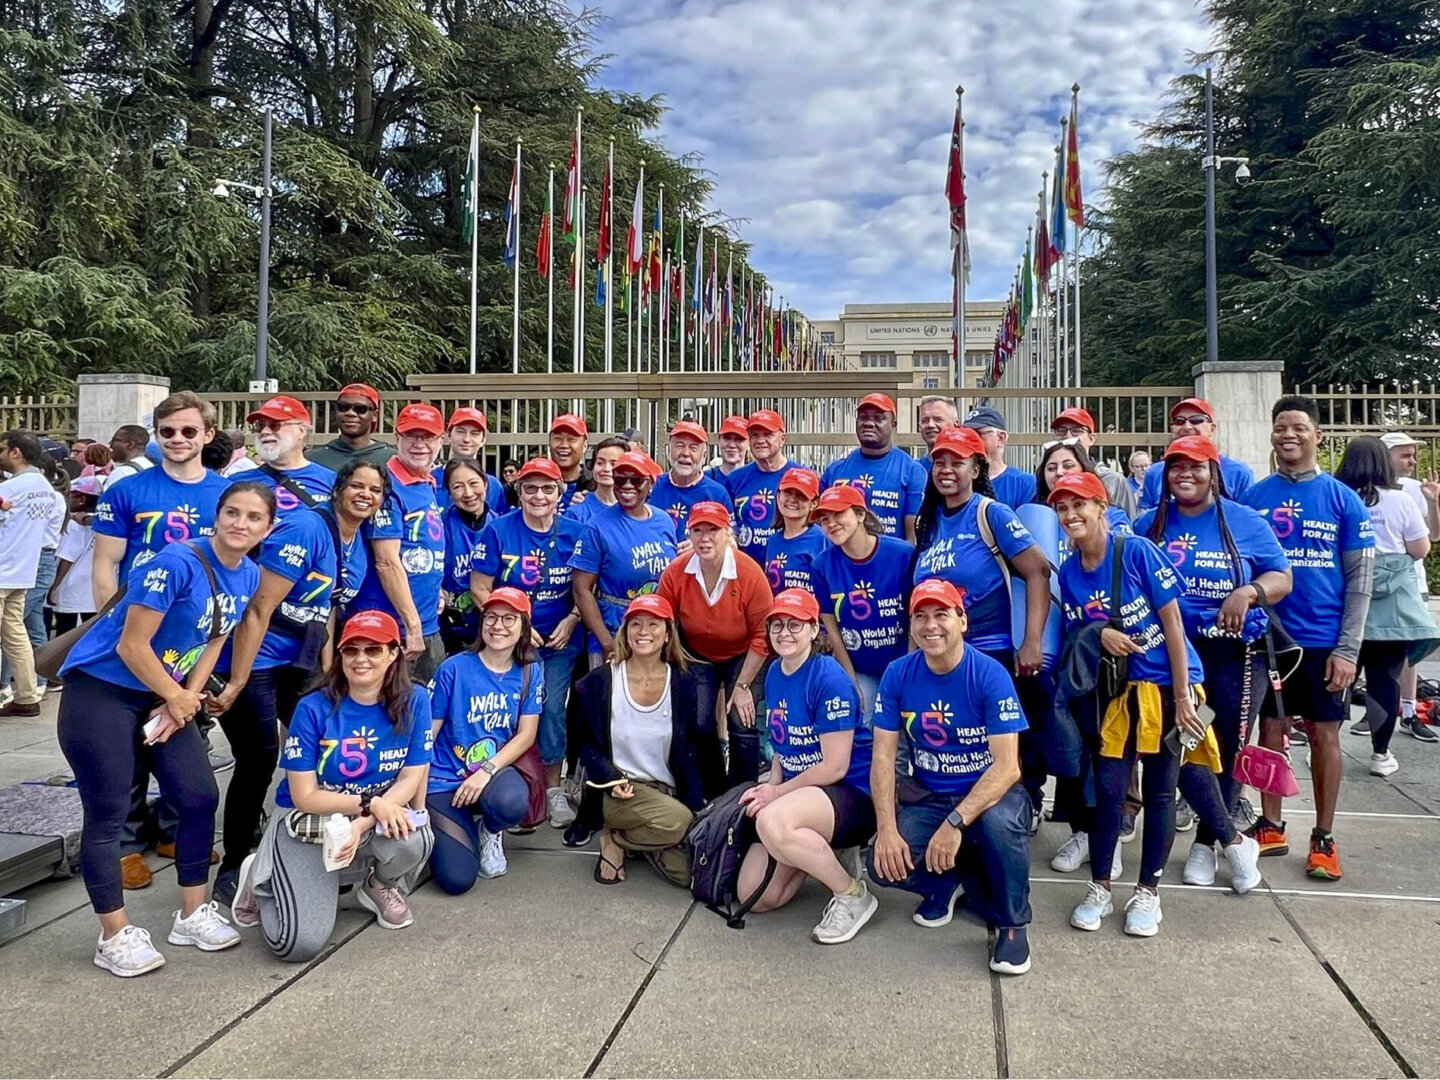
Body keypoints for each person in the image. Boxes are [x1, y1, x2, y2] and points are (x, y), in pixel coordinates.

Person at [56, 482, 271, 976]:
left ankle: (192, 913)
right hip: (103, 690)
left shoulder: (249, 572)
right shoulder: (175, 563)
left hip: (166, 695)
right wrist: (176, 698)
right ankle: (114, 934)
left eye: (253, 517)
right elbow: (133, 645)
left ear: (266, 528)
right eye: (232, 513)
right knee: (108, 812)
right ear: (216, 517)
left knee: (197, 798)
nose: (241, 524)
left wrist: (189, 696)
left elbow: (216, 637)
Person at [206, 464, 380, 907]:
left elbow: (327, 608)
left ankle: (310, 845)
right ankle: (236, 864)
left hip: (300, 660)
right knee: (260, 756)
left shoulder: (356, 540)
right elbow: (256, 609)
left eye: (375, 490)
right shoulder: (306, 528)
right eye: (356, 486)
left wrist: (329, 675)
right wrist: (240, 679)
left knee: (323, 747)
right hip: (256, 657)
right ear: (338, 489)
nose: (365, 495)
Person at [231, 610, 434, 961]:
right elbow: (304, 795)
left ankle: (377, 886)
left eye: (373, 649)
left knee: (416, 835)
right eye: (351, 650)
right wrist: (372, 805)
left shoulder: (415, 699)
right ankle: (263, 879)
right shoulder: (312, 707)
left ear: (393, 654)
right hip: (307, 821)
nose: (361, 659)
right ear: (339, 655)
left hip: (365, 816)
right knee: (298, 946)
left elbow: (411, 777)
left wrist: (366, 819)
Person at [1053, 471, 1206, 936]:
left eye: (1080, 504)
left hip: (1166, 687)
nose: (1070, 515)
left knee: (1162, 791)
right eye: (1062, 508)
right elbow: (1081, 635)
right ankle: (1100, 886)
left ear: (1102, 507)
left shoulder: (1135, 550)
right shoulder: (1070, 571)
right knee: (1110, 793)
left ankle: (1148, 892)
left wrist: (1183, 696)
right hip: (1117, 696)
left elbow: (1174, 625)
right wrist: (1101, 633)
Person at [1136, 436, 1285, 891]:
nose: (1185, 474)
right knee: (1176, 746)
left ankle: (1206, 843)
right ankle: (1232, 837)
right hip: (1170, 654)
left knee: (1225, 748)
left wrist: (1248, 592)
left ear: (1213, 473)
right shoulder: (1149, 523)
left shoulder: (1245, 522)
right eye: (1176, 466)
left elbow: (1281, 576)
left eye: (1196, 467)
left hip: (1235, 653)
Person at [868, 579, 1033, 975]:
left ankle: (1012, 924)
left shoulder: (989, 674)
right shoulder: (897, 674)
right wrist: (887, 829)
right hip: (931, 794)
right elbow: (882, 758)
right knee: (883, 865)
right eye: (920, 616)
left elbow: (1008, 767)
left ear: (963, 620)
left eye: (942, 614)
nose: (931, 625)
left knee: (1000, 823)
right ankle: (948, 882)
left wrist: (954, 823)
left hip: (988, 795)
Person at [1243, 396, 1374, 880]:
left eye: (1299, 427)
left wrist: (1348, 649)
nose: (1288, 435)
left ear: (1318, 436)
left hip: (1323, 639)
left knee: (1324, 733)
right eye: (1280, 427)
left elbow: (1361, 581)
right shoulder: (1254, 498)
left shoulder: (1344, 499)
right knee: (1270, 731)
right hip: (1269, 638)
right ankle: (1271, 825)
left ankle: (1323, 836)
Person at [913, 424, 1053, 821]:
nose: (946, 469)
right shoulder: (931, 522)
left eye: (957, 462)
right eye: (939, 461)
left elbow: (1038, 571)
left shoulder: (991, 513)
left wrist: (1031, 641)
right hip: (942, 660)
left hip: (992, 657)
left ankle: (1011, 819)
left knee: (1001, 751)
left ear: (976, 468)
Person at [733, 589, 875, 942]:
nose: (784, 633)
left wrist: (777, 794)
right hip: (803, 793)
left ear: (814, 630)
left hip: (848, 794)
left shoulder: (828, 677)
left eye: (795, 625)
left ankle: (852, 895)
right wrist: (772, 783)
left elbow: (835, 767)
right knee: (757, 895)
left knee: (772, 819)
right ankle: (817, 852)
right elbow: (784, 743)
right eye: (777, 625)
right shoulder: (777, 672)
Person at [469, 457, 584, 826]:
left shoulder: (575, 531)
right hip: (508, 641)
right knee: (505, 714)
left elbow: (587, 586)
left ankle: (552, 791)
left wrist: (574, 619)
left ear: (559, 493)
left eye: (547, 488)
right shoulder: (498, 530)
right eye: (530, 488)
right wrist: (516, 626)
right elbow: (479, 588)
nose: (538, 495)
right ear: (518, 491)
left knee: (550, 711)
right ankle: (507, 787)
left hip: (560, 640)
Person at [572, 594, 705, 885]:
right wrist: (610, 777)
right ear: (626, 631)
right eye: (636, 624)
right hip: (622, 791)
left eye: (653, 624)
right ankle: (614, 838)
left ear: (667, 633)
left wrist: (696, 802)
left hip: (667, 792)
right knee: (678, 822)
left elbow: (691, 748)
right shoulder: (600, 681)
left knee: (689, 877)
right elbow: (586, 746)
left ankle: (634, 843)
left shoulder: (683, 682)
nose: (643, 632)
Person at [425, 589, 543, 893]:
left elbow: (526, 734)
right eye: (491, 617)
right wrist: (412, 794)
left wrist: (485, 772)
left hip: (489, 773)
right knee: (458, 879)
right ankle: (451, 827)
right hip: (443, 779)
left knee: (511, 800)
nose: (498, 626)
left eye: (509, 618)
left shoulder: (531, 671)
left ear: (523, 627)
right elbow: (428, 735)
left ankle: (490, 831)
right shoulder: (454, 668)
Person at [1335, 437, 1438, 775]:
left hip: (1345, 603)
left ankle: (1326, 745)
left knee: (1339, 679)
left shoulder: (1339, 497)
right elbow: (1421, 548)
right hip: (1392, 609)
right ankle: (1381, 753)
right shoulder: (1400, 501)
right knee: (1385, 680)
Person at [655, 501, 774, 794]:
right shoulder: (676, 572)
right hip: (698, 654)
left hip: (744, 655)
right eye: (698, 530)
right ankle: (714, 792)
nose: (705, 538)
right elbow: (662, 620)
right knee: (700, 722)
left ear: (728, 533)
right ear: (689, 533)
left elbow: (764, 633)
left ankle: (742, 796)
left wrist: (743, 686)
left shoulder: (749, 572)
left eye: (713, 530)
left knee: (741, 722)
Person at [93, 392, 233, 607]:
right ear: (157, 436)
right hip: (137, 619)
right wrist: (111, 627)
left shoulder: (231, 494)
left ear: (208, 435)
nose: (178, 439)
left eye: (189, 432)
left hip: (205, 623)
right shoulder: (124, 490)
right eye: (167, 431)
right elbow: (105, 564)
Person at [351, 404, 446, 680]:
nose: (420, 444)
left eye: (428, 437)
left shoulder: (425, 482)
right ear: (397, 437)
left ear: (441, 441)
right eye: (411, 436)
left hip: (426, 623)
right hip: (391, 627)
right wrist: (412, 624)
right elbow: (386, 562)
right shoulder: (387, 486)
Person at [810, 485, 914, 725]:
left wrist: (910, 669)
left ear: (860, 515)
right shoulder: (821, 566)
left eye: (839, 514)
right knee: (865, 730)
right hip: (860, 667)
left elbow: (915, 617)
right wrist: (850, 680)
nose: (831, 523)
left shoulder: (902, 555)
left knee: (902, 739)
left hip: (901, 664)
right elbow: (831, 629)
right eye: (824, 519)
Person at [573, 452, 677, 666]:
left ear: (651, 484)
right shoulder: (597, 526)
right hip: (613, 629)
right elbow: (581, 590)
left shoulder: (664, 520)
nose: (627, 485)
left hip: (655, 632)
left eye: (636, 480)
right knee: (608, 697)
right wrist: (607, 643)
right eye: (620, 479)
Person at [0, 432, 67, 716]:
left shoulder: (12, 488)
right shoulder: (43, 486)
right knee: (15, 633)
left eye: (2, 449)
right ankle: (27, 695)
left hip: (3, 566)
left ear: (16, 453)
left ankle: (25, 694)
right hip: (23, 569)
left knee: (14, 633)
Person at [1379, 431, 1440, 741]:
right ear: (1386, 455)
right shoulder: (1366, 490)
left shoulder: (1416, 489)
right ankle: (1377, 712)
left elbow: (1433, 537)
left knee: (1408, 652)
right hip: (1375, 585)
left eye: (1413, 455)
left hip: (1410, 582)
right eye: (1406, 455)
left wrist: (1434, 503)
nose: (1413, 462)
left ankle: (1408, 710)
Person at [821, 393, 928, 541]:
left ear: (893, 424)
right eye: (863, 417)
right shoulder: (835, 470)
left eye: (878, 418)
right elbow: (820, 525)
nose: (869, 423)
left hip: (891, 561)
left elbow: (912, 538)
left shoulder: (912, 471)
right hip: (841, 560)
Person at [1137, 398, 1255, 511]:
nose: (1187, 427)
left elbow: (1247, 520)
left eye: (1196, 420)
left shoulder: (1239, 473)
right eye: (1179, 421)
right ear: (1172, 429)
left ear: (1212, 428)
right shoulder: (1154, 473)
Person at [244, 396, 337, 520]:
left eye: (274, 425)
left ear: (301, 431)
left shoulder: (332, 482)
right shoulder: (238, 482)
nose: (265, 431)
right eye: (260, 425)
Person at [438, 456, 496, 654]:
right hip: (448, 625)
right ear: (449, 491)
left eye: (474, 483)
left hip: (492, 626)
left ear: (485, 483)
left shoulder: (500, 526)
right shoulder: (439, 525)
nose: (468, 493)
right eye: (458, 487)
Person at [726, 410, 798, 564]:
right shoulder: (735, 479)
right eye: (754, 435)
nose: (760, 440)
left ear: (782, 439)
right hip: (745, 568)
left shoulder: (801, 475)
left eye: (767, 434)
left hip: (788, 566)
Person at [1032, 440, 1133, 540]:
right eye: (1051, 468)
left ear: (1084, 469)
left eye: (1068, 466)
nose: (1059, 472)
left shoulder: (1112, 515)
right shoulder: (1035, 515)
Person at [1049, 407, 1137, 518]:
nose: (1068, 436)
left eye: (1076, 430)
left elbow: (1130, 525)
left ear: (1091, 438)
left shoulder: (1113, 481)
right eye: (1061, 430)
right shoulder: (1048, 479)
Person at [48, 475, 102, 636]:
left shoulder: (74, 524)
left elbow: (67, 557)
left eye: (71, 495)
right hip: (93, 589)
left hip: (71, 587)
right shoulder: (101, 523)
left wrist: (54, 585)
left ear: (81, 499)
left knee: (65, 633)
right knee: (90, 632)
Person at [650, 420, 729, 529]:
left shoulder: (717, 494)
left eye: (693, 448)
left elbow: (730, 538)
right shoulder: (652, 487)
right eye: (679, 446)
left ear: (704, 456)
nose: (686, 453)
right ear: (669, 451)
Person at [763, 468, 826, 595]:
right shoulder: (773, 541)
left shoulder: (822, 539)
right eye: (787, 493)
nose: (792, 499)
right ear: (778, 496)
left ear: (814, 503)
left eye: (801, 495)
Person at [433, 407, 507, 514]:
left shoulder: (494, 487)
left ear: (483, 440)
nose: (467, 439)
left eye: (475, 434)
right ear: (448, 435)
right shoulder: (430, 481)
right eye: (460, 432)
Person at [307, 384, 394, 473]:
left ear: (375, 415)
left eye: (360, 409)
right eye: (343, 407)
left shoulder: (391, 460)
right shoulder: (313, 460)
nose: (350, 413)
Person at [964, 406, 1037, 510]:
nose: (971, 441)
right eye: (967, 436)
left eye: (978, 434)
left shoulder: (1025, 483)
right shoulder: (959, 484)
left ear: (1000, 438)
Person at [566, 436, 626, 527]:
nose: (606, 469)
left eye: (614, 464)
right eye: (600, 463)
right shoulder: (577, 512)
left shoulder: (635, 510)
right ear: (593, 468)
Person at [548, 413, 591, 514]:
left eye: (571, 439)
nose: (564, 445)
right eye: (557, 439)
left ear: (585, 445)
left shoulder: (594, 486)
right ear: (549, 442)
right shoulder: (534, 484)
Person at [915, 395, 959, 471]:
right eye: (924, 420)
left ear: (955, 424)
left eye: (938, 419)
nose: (930, 425)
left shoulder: (968, 469)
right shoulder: (913, 469)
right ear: (919, 426)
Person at [103, 424, 154, 490]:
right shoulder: (151, 467)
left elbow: (112, 499)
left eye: (114, 440)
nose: (110, 444)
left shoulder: (122, 472)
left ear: (130, 445)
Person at [707, 415, 750, 490]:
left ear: (749, 444)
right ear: (719, 441)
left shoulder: (756, 481)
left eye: (739, 439)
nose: (732, 445)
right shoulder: (705, 479)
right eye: (727, 438)